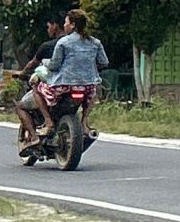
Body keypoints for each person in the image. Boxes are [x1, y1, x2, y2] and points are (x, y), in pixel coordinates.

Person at [38, 9, 109, 138]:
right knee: (93, 93)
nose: (64, 25)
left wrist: (44, 62)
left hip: (63, 85)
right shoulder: (95, 42)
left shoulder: (63, 42)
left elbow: (54, 66)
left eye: (66, 22)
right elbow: (104, 62)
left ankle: (48, 122)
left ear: (73, 25)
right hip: (88, 87)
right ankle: (84, 122)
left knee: (37, 90)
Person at [13, 17, 61, 147]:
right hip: (76, 86)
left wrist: (22, 73)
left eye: (48, 26)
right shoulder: (76, 46)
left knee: (20, 106)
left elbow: (32, 63)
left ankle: (35, 137)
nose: (48, 29)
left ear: (55, 26)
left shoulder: (49, 46)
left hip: (54, 87)